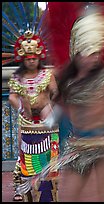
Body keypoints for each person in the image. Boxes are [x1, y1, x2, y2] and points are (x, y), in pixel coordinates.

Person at [44, 2, 104, 202]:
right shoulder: (66, 79)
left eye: (98, 52)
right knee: (69, 197)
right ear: (77, 51)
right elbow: (61, 108)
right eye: (90, 52)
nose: (96, 57)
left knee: (101, 195)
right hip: (78, 146)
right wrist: (51, 115)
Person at [8, 30, 59, 202]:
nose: (31, 61)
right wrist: (23, 106)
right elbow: (12, 96)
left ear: (39, 58)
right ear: (23, 59)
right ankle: (21, 186)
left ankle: (48, 188)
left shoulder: (47, 75)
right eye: (28, 59)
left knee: (50, 156)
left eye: (34, 58)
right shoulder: (17, 77)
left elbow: (55, 92)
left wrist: (51, 103)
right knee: (24, 155)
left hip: (46, 120)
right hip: (26, 120)